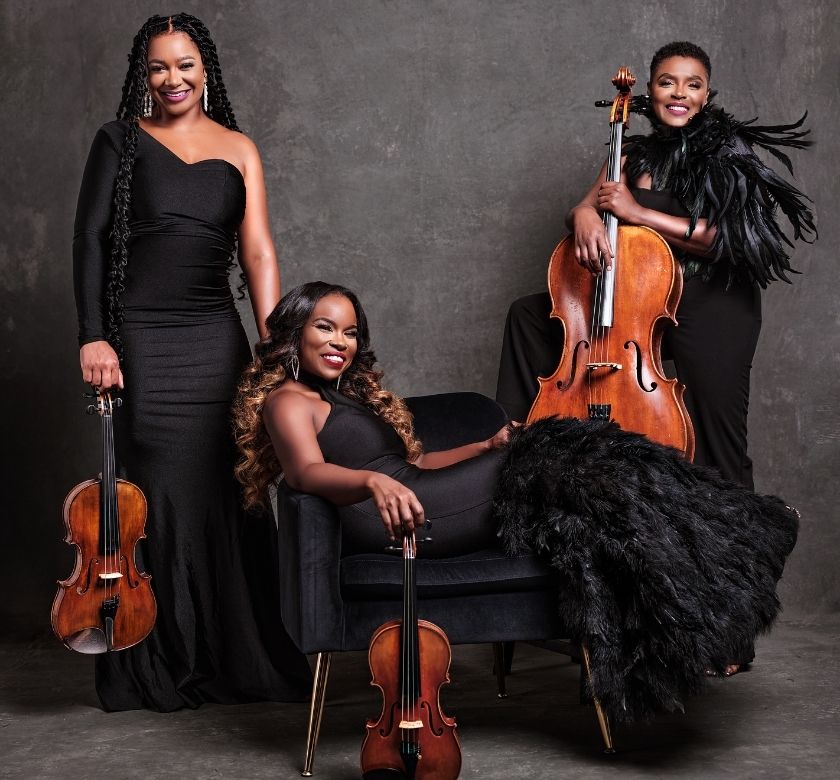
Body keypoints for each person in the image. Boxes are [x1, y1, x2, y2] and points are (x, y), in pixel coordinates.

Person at [234, 281, 798, 724]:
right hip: (394, 519)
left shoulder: (342, 399)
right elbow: (305, 473)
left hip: (419, 495)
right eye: (325, 327)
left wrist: (485, 446)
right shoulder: (288, 400)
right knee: (560, 447)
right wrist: (371, 483)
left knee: (581, 460)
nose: (340, 341)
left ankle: (725, 543)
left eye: (351, 332)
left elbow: (416, 465)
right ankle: (747, 527)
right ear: (295, 333)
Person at [72, 13, 310, 711]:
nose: (171, 79)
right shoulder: (118, 141)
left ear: (206, 69)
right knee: (156, 495)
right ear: (142, 75)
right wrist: (93, 336)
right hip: (142, 339)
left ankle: (237, 660)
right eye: (158, 67)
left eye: (184, 65)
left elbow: (258, 252)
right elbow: (89, 240)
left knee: (229, 489)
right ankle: (160, 658)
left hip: (215, 340)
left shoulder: (240, 149)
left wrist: (274, 345)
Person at [495, 41, 816, 492]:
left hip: (713, 302)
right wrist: (583, 216)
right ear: (651, 89)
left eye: (693, 85)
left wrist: (639, 213)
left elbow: (730, 237)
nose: (679, 93)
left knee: (717, 439)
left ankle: (736, 530)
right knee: (528, 315)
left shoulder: (728, 152)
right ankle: (516, 447)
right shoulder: (631, 154)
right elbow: (586, 207)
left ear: (706, 95)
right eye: (668, 82)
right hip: (642, 300)